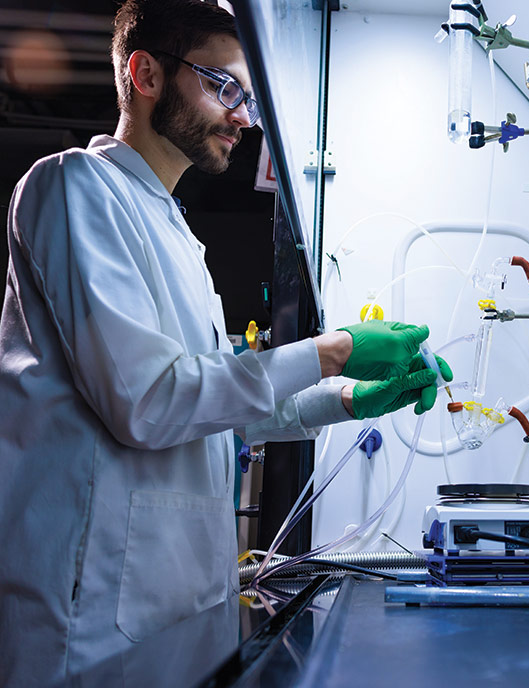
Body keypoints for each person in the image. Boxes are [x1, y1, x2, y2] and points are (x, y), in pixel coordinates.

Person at [0, 0, 452, 685]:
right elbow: (150, 403)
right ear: (146, 74)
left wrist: (351, 398)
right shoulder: (74, 186)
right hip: (87, 623)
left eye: (249, 97)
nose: (243, 117)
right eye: (223, 87)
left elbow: (212, 401)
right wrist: (331, 350)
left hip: (176, 610)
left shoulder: (178, 235)